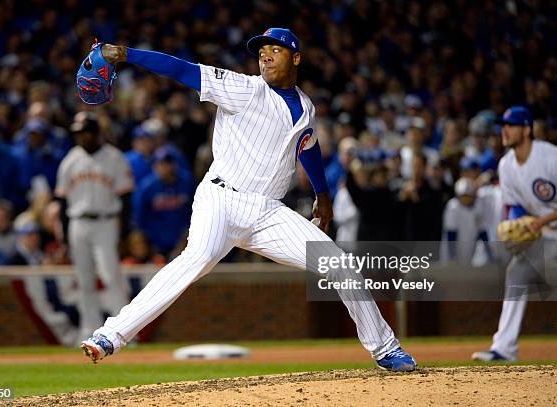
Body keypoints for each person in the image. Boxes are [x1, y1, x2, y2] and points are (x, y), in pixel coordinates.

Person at [80, 28, 416, 371]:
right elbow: (182, 69)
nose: (266, 55)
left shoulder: (305, 107)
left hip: (268, 212)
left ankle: (385, 349)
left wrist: (323, 195)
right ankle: (110, 335)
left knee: (339, 264)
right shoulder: (242, 88)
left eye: (276, 49)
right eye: (261, 51)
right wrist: (123, 54)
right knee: (195, 259)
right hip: (221, 200)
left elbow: (308, 148)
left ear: (296, 58)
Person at [472, 106, 557, 362]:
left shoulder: (550, 157)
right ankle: (504, 348)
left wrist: (541, 220)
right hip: (544, 238)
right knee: (516, 270)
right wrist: (516, 225)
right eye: (503, 125)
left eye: (511, 125)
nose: (504, 130)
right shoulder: (506, 165)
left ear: (527, 129)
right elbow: (516, 207)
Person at [55, 112, 135, 342]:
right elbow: (61, 201)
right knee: (84, 280)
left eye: (86, 132)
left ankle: (123, 332)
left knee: (111, 276)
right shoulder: (70, 160)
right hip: (78, 223)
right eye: (79, 133)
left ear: (97, 133)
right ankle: (88, 330)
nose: (82, 137)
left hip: (106, 222)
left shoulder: (114, 158)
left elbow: (127, 198)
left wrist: (125, 232)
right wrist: (64, 235)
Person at [133, 147, 195, 258]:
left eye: (168, 163)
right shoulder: (146, 187)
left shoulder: (187, 183)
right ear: (155, 165)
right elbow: (139, 218)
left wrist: (186, 238)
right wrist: (149, 244)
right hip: (154, 243)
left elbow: (195, 214)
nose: (165, 167)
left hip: (183, 240)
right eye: (161, 163)